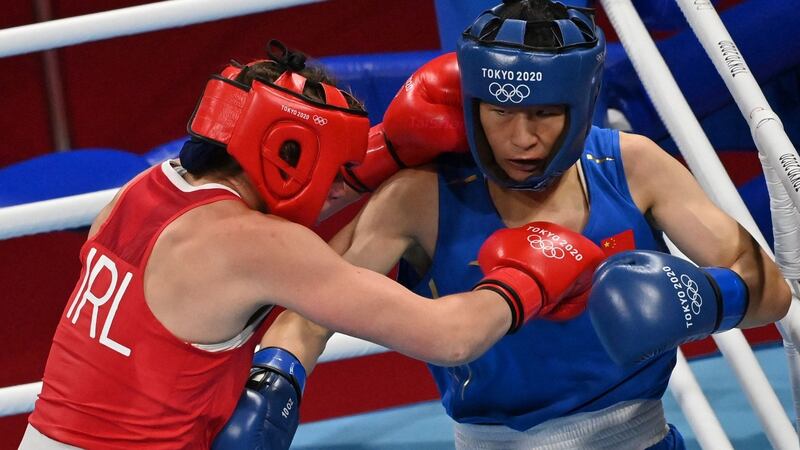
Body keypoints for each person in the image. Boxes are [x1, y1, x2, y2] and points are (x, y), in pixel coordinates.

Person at [19, 39, 608, 450]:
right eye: (330, 165)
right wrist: (527, 275)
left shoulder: (141, 192)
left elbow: (265, 205)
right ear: (289, 153)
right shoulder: (255, 244)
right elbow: (450, 337)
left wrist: (393, 149)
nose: (334, 182)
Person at [253, 1, 792, 449]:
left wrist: (702, 297)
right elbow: (309, 316)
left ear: (581, 106)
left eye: (543, 114)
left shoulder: (631, 165)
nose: (521, 139)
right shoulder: (422, 196)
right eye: (501, 112)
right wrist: (272, 388)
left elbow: (769, 290)